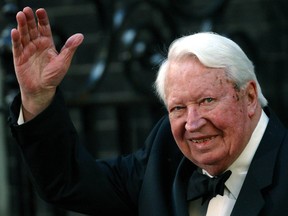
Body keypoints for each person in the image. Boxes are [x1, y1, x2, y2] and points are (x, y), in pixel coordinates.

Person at [8, 6, 288, 216]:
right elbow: (69, 182)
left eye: (206, 101)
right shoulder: (166, 148)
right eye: (178, 107)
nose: (192, 123)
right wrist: (38, 97)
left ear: (249, 96)